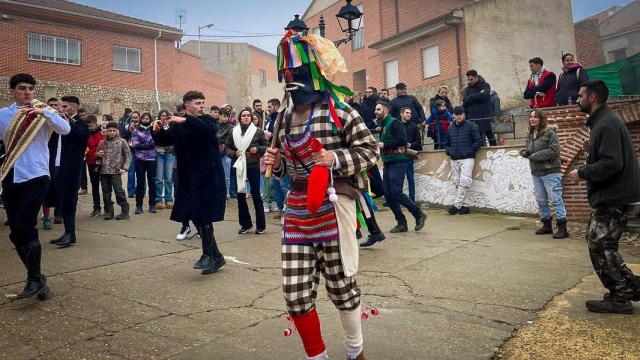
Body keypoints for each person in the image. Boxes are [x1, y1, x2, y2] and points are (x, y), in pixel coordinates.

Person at [264, 31, 380, 360]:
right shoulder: (282, 119)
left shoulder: (340, 111)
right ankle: (317, 357)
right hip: (297, 213)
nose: (291, 80)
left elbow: (370, 151)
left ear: (315, 72)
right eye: (286, 75)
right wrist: (278, 162)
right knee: (295, 293)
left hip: (333, 208)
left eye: (297, 73)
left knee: (341, 288)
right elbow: (288, 168)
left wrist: (336, 159)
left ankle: (355, 349)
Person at [568, 80, 640, 314]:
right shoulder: (604, 122)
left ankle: (620, 297)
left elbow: (612, 163)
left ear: (592, 98)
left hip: (614, 197)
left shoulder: (606, 124)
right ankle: (631, 286)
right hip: (614, 196)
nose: (577, 100)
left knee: (600, 245)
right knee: (603, 244)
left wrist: (582, 171)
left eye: (580, 96)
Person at [0, 73, 70, 299]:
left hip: (37, 175)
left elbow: (64, 129)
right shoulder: (3, 115)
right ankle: (38, 278)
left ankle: (33, 279)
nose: (27, 92)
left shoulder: (43, 113)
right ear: (13, 91)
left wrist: (45, 112)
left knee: (26, 226)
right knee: (16, 232)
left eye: (30, 88)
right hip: (11, 175)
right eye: (22, 88)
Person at [152, 90, 227, 275]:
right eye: (197, 103)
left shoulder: (208, 121)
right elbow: (166, 140)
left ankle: (208, 256)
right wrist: (157, 130)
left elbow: (207, 132)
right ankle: (217, 257)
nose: (202, 106)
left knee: (204, 214)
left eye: (203, 102)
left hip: (208, 176)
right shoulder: (180, 125)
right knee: (195, 215)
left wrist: (185, 120)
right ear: (187, 106)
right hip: (188, 177)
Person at [376, 100, 427, 233]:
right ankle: (401, 223)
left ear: (386, 110)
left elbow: (402, 140)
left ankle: (419, 214)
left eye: (378, 109)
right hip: (388, 161)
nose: (375, 112)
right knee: (387, 194)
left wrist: (384, 145)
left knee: (396, 192)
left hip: (399, 161)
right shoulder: (383, 124)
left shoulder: (395, 122)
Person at [520, 110, 568, 239]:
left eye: (536, 117)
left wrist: (534, 156)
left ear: (541, 118)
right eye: (531, 117)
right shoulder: (531, 134)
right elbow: (530, 150)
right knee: (541, 200)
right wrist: (525, 152)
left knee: (556, 199)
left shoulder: (550, 133)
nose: (533, 119)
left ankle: (562, 228)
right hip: (536, 172)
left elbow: (554, 150)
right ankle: (546, 225)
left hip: (550, 171)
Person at [48, 96, 89, 248]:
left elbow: (81, 136)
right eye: (61, 106)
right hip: (56, 166)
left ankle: (70, 233)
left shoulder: (81, 124)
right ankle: (66, 232)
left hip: (71, 168)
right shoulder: (57, 122)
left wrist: (67, 122)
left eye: (64, 106)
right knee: (60, 199)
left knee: (70, 201)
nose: (61, 109)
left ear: (74, 107)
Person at [225, 107, 268, 234]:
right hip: (239, 166)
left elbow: (267, 146)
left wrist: (258, 149)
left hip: (253, 166)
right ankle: (246, 224)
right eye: (243, 115)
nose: (246, 117)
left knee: (256, 196)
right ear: (239, 118)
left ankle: (261, 226)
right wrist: (234, 153)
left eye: (248, 115)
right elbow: (227, 148)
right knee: (240, 196)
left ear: (251, 117)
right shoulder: (233, 131)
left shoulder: (258, 131)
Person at [444, 106, 482, 215]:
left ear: (464, 114)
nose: (459, 116)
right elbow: (446, 143)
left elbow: (478, 141)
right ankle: (465, 207)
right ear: (453, 115)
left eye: (460, 114)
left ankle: (456, 205)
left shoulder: (471, 126)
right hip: (454, 159)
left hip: (467, 159)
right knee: (457, 182)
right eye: (456, 114)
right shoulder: (451, 127)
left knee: (465, 181)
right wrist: (449, 151)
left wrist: (469, 152)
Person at [97, 121, 131, 220]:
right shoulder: (102, 142)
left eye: (113, 131)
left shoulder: (122, 141)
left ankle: (125, 212)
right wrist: (98, 154)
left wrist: (125, 168)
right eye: (109, 131)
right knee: (106, 193)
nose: (111, 132)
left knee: (119, 191)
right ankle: (109, 212)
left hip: (116, 172)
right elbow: (97, 154)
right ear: (106, 131)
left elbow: (128, 155)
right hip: (103, 171)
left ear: (117, 131)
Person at [42, 97, 64, 230]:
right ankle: (45, 217)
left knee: (60, 188)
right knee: (45, 189)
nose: (53, 107)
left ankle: (59, 213)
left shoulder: (63, 121)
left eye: (56, 105)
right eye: (50, 105)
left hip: (61, 161)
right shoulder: (43, 121)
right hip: (47, 161)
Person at [266, 98, 289, 217]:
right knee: (274, 184)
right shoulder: (273, 119)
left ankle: (287, 209)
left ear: (275, 106)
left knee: (285, 185)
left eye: (270, 107)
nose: (268, 109)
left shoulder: (284, 116)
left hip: (286, 157)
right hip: (276, 156)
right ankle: (281, 208)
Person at [130, 112, 157, 214]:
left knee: (152, 183)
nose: (145, 119)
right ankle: (139, 206)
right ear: (141, 119)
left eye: (147, 118)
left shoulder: (154, 130)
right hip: (139, 160)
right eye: (144, 118)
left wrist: (143, 145)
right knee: (140, 183)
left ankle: (152, 205)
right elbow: (134, 144)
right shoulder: (136, 131)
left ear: (150, 119)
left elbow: (155, 142)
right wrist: (147, 145)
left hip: (151, 159)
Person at [462, 70, 495, 146]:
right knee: (479, 140)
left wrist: (471, 96)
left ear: (476, 77)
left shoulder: (486, 85)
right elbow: (465, 101)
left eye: (471, 79)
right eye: (469, 80)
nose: (470, 81)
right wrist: (478, 95)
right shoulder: (467, 89)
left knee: (491, 137)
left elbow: (485, 95)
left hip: (485, 117)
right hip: (474, 118)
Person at [154, 110, 175, 210]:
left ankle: (169, 199)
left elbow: (171, 137)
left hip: (169, 153)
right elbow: (156, 138)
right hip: (159, 153)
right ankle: (158, 200)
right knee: (159, 177)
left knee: (169, 178)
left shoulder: (172, 126)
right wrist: (161, 127)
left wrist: (166, 127)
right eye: (162, 116)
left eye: (166, 116)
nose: (164, 117)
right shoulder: (156, 125)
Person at [400, 107, 422, 202]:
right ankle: (397, 199)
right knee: (397, 179)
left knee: (410, 178)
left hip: (408, 156)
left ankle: (412, 199)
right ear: (401, 114)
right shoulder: (396, 125)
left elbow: (418, 142)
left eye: (410, 113)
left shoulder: (414, 126)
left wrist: (410, 144)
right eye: (407, 113)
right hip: (397, 156)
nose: (409, 114)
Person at [85, 114, 104, 217]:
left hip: (102, 162)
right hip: (91, 162)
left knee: (106, 186)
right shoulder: (86, 133)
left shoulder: (102, 132)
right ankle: (96, 208)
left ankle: (108, 208)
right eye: (88, 126)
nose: (89, 128)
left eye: (91, 126)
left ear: (95, 123)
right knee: (95, 186)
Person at [216, 109, 234, 199]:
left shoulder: (230, 127)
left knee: (226, 175)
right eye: (224, 115)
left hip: (226, 153)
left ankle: (226, 194)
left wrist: (220, 142)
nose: (226, 118)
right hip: (216, 152)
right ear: (219, 115)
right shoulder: (215, 125)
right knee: (216, 174)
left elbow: (229, 140)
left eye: (227, 116)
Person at [123, 111, 140, 198]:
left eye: (136, 117)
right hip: (131, 152)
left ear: (139, 118)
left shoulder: (142, 127)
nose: (134, 119)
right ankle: (131, 192)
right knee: (131, 172)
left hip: (141, 152)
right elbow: (124, 139)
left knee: (140, 173)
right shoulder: (127, 127)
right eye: (133, 118)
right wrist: (130, 130)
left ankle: (140, 191)